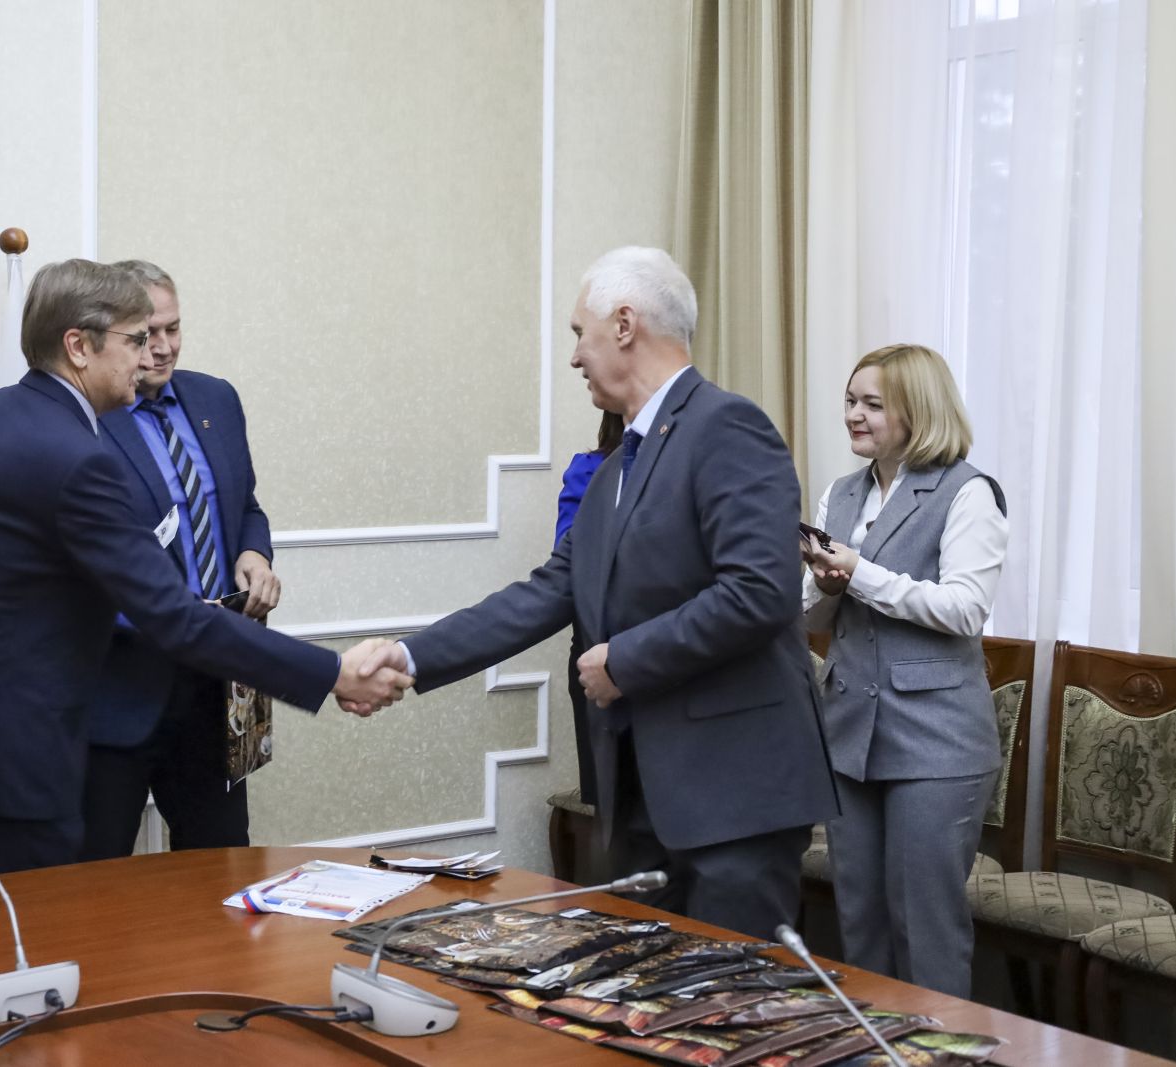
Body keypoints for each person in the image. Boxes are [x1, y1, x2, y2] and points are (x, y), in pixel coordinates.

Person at [362, 246, 837, 939]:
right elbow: (548, 590)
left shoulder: (727, 427)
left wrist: (624, 660)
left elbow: (759, 591)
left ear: (624, 324)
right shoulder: (615, 469)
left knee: (728, 998)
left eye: (579, 333)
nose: (574, 356)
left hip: (734, 797)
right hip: (641, 795)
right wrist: (408, 657)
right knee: (642, 992)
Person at [0, 258, 410, 880]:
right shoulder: (77, 460)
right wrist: (334, 673)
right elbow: (175, 617)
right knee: (36, 934)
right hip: (14, 768)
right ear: (79, 346)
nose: (149, 356)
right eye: (136, 340)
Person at [802, 343, 1008, 998]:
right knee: (860, 925)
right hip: (849, 734)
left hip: (936, 741)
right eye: (849, 400)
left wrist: (859, 573)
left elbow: (964, 608)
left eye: (872, 404)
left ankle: (940, 1046)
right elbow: (818, 611)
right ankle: (874, 1044)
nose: (853, 415)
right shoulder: (841, 493)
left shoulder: (968, 491)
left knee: (926, 932)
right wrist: (822, 583)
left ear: (917, 411)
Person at [81, 259, 278, 858]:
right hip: (119, 690)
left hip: (216, 684)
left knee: (222, 862)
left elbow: (245, 506)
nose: (163, 348)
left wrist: (254, 554)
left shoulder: (217, 398)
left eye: (173, 329)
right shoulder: (85, 417)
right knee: (95, 877)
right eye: (146, 335)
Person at [556, 411, 624, 804]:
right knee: (611, 808)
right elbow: (571, 568)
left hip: (678, 668)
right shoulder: (590, 471)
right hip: (595, 658)